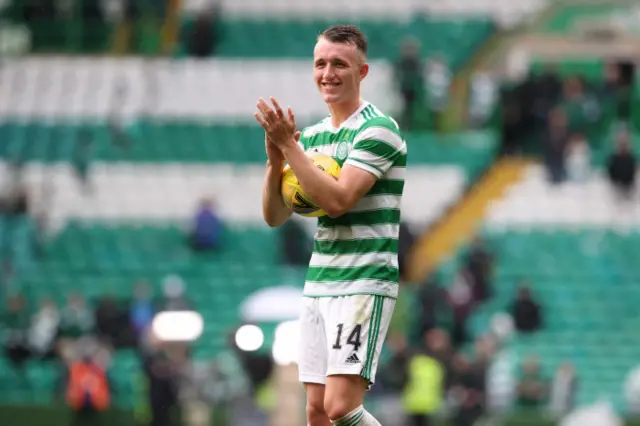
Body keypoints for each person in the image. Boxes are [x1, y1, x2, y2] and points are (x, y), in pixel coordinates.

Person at [255, 25, 407, 426]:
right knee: (317, 411)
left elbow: (339, 201)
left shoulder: (379, 130)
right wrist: (276, 163)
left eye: (340, 64)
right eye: (320, 63)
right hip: (320, 280)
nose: (328, 73)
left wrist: (289, 147)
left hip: (363, 280)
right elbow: (274, 216)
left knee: (341, 407)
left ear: (363, 72)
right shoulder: (314, 137)